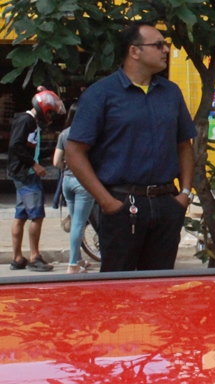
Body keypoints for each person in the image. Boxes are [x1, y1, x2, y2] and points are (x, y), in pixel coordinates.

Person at [66, 22, 197, 272]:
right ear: (134, 52)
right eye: (158, 45)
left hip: (166, 203)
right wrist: (106, 202)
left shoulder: (171, 92)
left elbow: (184, 144)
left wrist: (185, 194)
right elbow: (74, 152)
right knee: (118, 290)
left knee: (159, 288)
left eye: (165, 44)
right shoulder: (101, 94)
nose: (166, 50)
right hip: (121, 203)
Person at [7, 87, 65, 272]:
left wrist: (54, 152)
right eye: (50, 112)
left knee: (21, 215)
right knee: (37, 216)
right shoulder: (26, 121)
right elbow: (16, 146)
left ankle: (17, 258)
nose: (50, 116)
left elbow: (32, 148)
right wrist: (34, 165)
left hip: (23, 173)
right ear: (43, 108)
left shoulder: (30, 122)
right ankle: (34, 257)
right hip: (27, 175)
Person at [53, 104, 95, 274]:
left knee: (76, 221)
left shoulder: (64, 134)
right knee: (79, 223)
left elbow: (56, 162)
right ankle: (72, 265)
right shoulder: (90, 133)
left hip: (67, 182)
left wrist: (68, 166)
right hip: (83, 183)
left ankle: (78, 260)